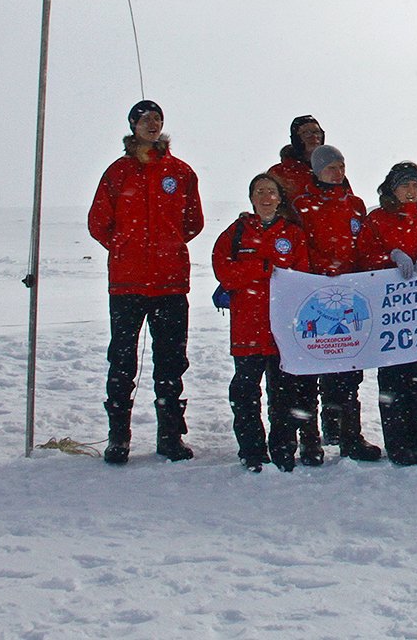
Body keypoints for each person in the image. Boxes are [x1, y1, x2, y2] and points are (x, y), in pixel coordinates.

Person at [87, 100, 205, 465]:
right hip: (128, 284)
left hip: (170, 283)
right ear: (133, 126)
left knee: (171, 363)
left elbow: (193, 222)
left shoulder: (180, 172)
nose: (152, 124)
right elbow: (98, 222)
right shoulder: (118, 173)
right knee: (122, 361)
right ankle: (118, 437)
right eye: (145, 119)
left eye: (157, 119)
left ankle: (170, 436)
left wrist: (166, 245)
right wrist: (127, 247)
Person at [211, 174, 316, 472]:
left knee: (283, 395)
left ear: (280, 198)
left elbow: (302, 275)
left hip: (281, 331)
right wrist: (264, 267)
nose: (266, 197)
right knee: (245, 394)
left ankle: (283, 449)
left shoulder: (292, 234)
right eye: (260, 191)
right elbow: (225, 272)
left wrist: (264, 272)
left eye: (271, 191)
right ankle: (252, 450)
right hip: (246, 328)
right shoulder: (236, 233)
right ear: (252, 198)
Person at [290, 144, 384, 462]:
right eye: (331, 166)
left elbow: (365, 243)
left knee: (347, 370)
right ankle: (310, 438)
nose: (338, 171)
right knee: (311, 369)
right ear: (317, 170)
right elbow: (298, 245)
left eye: (342, 165)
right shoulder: (302, 206)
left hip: (350, 295)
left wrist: (369, 269)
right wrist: (322, 267)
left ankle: (348, 435)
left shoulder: (355, 204)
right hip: (315, 296)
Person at [358, 162, 417, 466]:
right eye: (405, 185)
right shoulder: (378, 220)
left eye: (416, 185)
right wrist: (390, 256)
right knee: (393, 382)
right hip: (390, 314)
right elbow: (365, 255)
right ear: (392, 189)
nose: (411, 191)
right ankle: (397, 443)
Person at [268, 115, 331, 202]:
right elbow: (268, 206)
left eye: (317, 132)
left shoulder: (332, 170)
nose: (314, 136)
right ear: (296, 139)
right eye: (307, 133)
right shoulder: (280, 173)